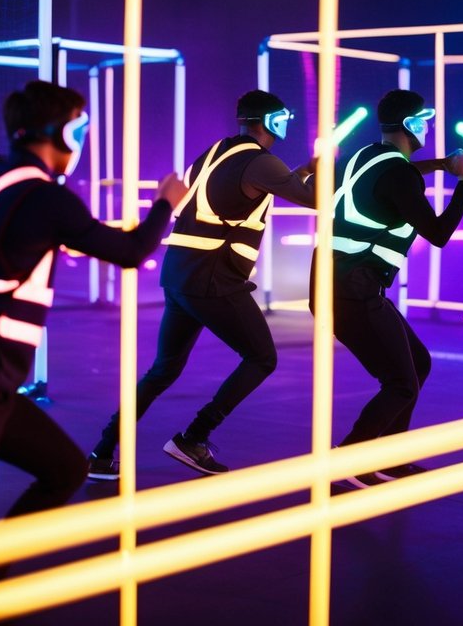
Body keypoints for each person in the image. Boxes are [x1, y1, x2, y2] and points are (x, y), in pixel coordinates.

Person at [0, 80, 186, 541]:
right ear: (62, 133)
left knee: (63, 468)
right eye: (81, 127)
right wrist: (165, 204)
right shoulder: (46, 198)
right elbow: (132, 251)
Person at [88, 90, 315, 479]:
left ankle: (102, 452)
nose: (286, 123)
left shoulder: (215, 152)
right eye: (283, 117)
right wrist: (320, 175)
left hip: (179, 275)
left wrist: (302, 171)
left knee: (162, 371)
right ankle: (194, 437)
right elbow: (312, 198)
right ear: (270, 121)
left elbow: (244, 189)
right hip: (213, 279)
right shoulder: (261, 161)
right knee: (262, 358)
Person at [315, 89, 463, 489]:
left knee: (417, 364)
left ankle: (388, 457)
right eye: (423, 121)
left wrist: (441, 165)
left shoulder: (366, 155)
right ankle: (349, 460)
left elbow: (397, 175)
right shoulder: (398, 173)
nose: (428, 127)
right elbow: (438, 233)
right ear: (408, 125)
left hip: (340, 285)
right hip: (353, 291)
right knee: (402, 382)